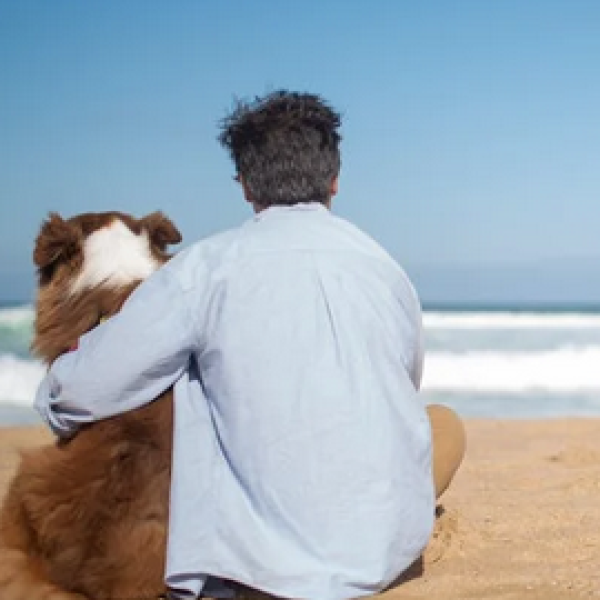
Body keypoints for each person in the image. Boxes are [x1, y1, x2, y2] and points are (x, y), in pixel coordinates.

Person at [35, 91, 465, 600]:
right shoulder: (387, 271)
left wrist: (53, 392)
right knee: (444, 423)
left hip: (259, 568)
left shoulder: (205, 270)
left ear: (244, 184)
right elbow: (401, 384)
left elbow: (86, 389)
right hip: (378, 553)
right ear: (335, 180)